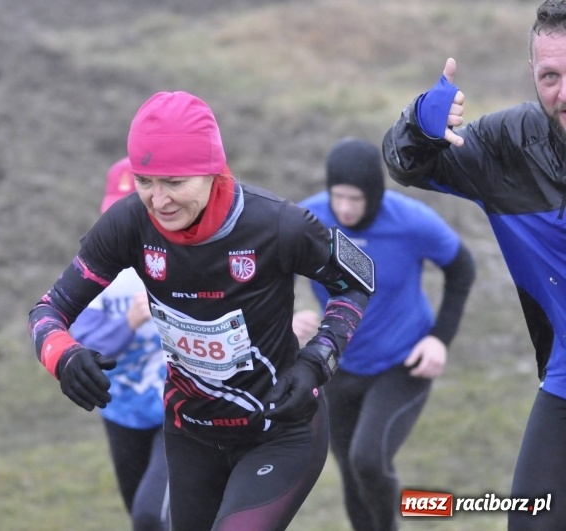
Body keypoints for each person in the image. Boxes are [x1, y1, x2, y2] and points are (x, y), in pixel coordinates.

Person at [29, 90, 373, 531]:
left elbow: (356, 283)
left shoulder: (278, 224)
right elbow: (47, 311)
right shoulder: (128, 223)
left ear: (213, 170)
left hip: (280, 431)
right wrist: (64, 356)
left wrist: (316, 361)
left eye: (174, 182)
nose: (158, 200)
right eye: (145, 181)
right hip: (190, 432)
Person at [382, 2, 566, 528]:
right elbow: (407, 164)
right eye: (550, 76)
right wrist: (421, 125)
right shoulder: (512, 146)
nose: (564, 94)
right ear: (533, 75)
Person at [293, 137, 475, 531]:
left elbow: (462, 268)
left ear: (374, 194)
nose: (344, 208)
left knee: (368, 459)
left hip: (403, 362)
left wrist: (439, 338)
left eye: (355, 198)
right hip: (337, 364)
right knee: (352, 474)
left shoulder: (411, 221)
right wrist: (291, 314)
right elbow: (266, 273)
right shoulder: (308, 221)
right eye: (337, 196)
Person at [68, 157, 170, 531]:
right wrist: (129, 322)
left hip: (176, 411)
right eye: (116, 212)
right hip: (121, 412)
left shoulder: (178, 263)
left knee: (150, 515)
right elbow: (86, 349)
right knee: (141, 518)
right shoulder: (93, 271)